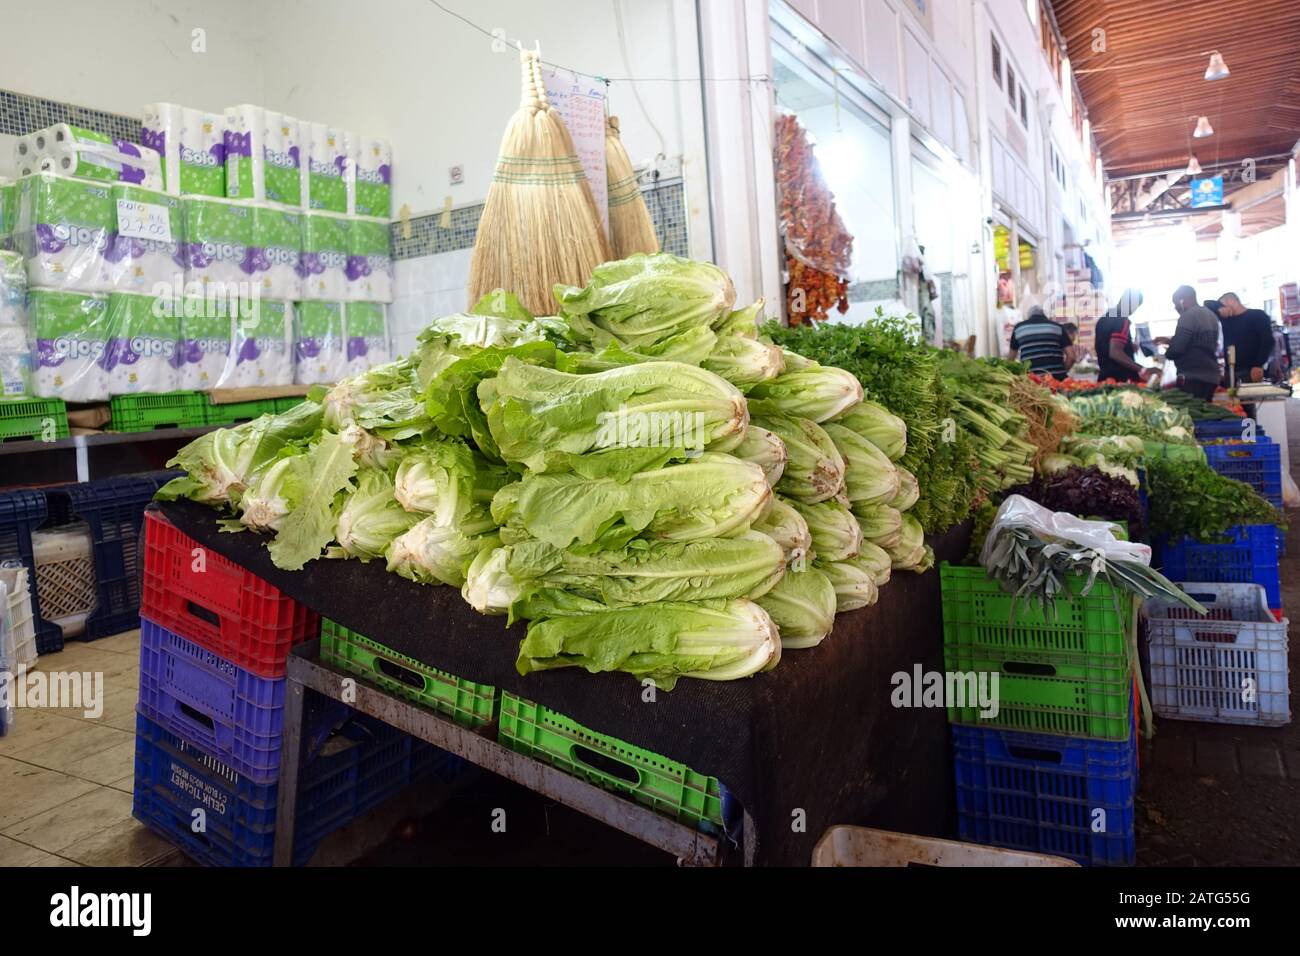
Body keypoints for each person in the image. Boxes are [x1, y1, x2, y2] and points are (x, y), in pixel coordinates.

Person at [1164, 285, 1223, 401]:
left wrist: (1168, 352)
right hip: (1211, 376)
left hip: (1192, 377)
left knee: (1191, 413)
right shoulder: (1210, 315)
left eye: (1176, 303)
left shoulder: (1188, 316)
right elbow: (1201, 342)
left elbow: (1177, 349)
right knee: (1204, 411)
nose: (1176, 307)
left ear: (1183, 300)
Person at [1094, 289, 1156, 383]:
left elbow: (1104, 346)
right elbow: (1115, 352)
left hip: (1105, 377)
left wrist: (1128, 346)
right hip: (1122, 380)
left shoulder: (1103, 319)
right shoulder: (1122, 320)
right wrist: (1143, 369)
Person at [1216, 292, 1274, 385]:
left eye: (1223, 305)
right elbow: (1207, 304)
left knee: (1251, 397)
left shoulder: (1257, 315)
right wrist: (1218, 307)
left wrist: (1258, 364)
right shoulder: (1226, 320)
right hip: (1230, 370)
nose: (1221, 310)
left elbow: (1267, 342)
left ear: (1231, 301)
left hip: (1251, 370)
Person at [1008, 305, 1069, 378]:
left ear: (1029, 317)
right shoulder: (1058, 327)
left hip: (1031, 381)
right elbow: (1071, 356)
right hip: (1057, 380)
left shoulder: (1019, 328)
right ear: (1045, 315)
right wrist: (1061, 372)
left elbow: (1010, 360)